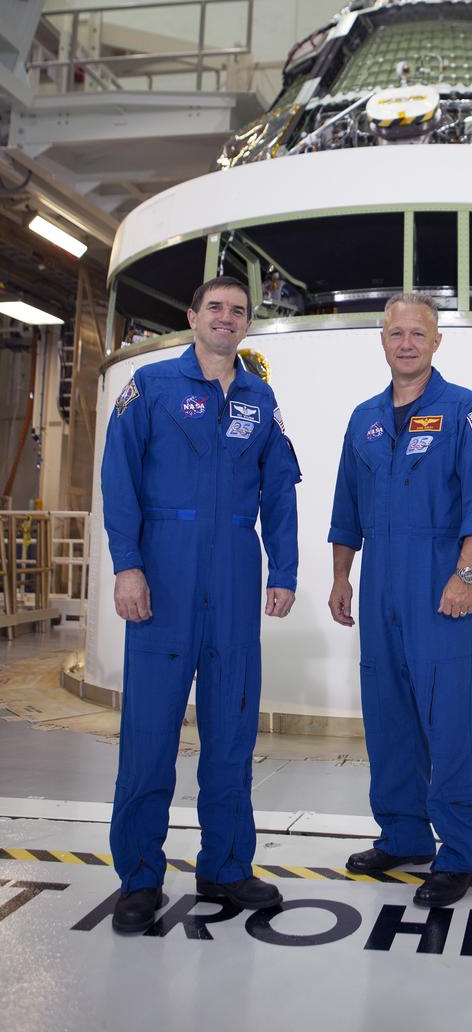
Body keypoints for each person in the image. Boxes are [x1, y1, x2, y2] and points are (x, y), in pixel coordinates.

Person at [101, 277, 301, 934]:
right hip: (164, 573)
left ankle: (224, 864)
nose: (225, 317)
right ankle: (138, 876)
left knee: (232, 734)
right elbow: (118, 478)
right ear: (192, 317)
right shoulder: (151, 388)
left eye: (238, 311)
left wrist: (285, 568)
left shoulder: (259, 397)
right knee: (150, 735)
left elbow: (280, 488)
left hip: (235, 576)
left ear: (247, 324)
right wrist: (127, 565)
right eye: (214, 307)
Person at [327, 292, 472, 908]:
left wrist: (467, 574)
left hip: (440, 582)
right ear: (382, 339)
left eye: (417, 334)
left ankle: (460, 852)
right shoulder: (365, 418)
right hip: (378, 584)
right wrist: (340, 577)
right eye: (394, 333)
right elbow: (345, 507)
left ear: (437, 342)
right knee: (388, 714)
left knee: (449, 720)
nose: (405, 343)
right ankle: (403, 836)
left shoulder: (465, 410)